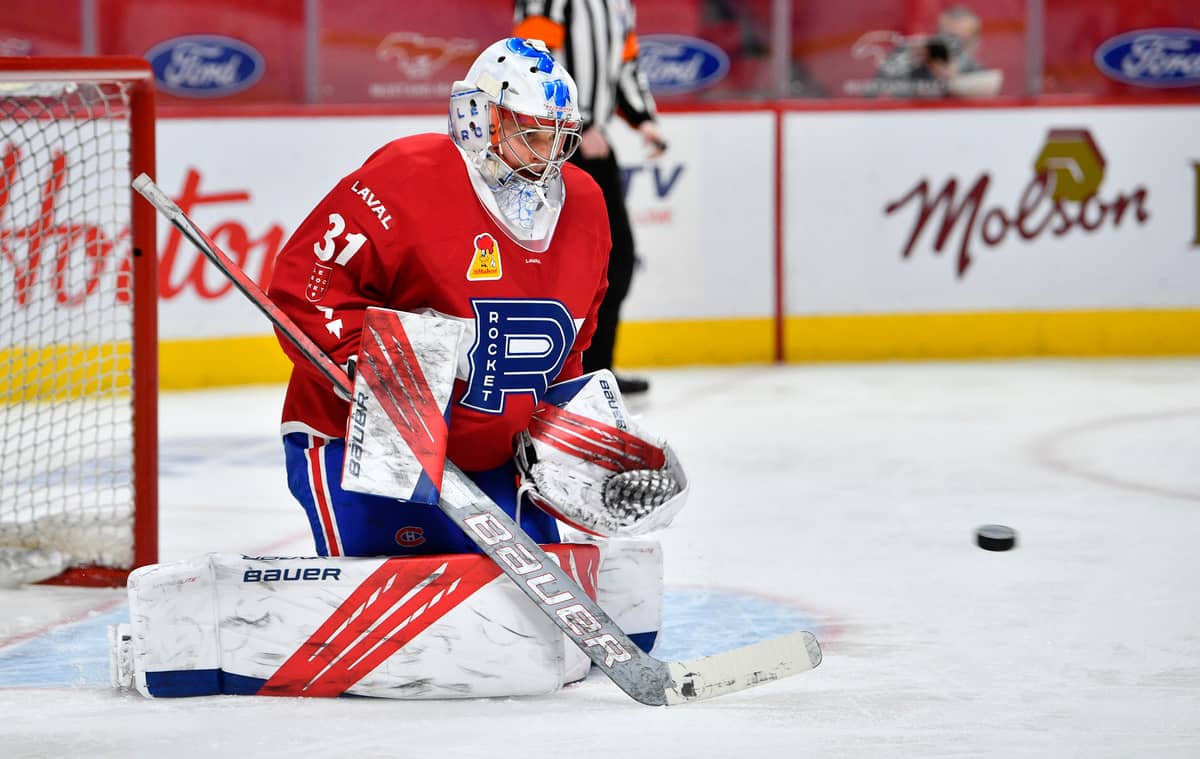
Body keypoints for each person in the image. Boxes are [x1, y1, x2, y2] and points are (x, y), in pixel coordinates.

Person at [266, 37, 681, 560]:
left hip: (499, 458)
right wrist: (379, 377)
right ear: (477, 118)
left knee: (534, 611)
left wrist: (571, 439)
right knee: (403, 613)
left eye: (559, 137)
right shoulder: (407, 176)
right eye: (530, 133)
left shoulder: (585, 203)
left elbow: (576, 340)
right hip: (368, 448)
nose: (547, 155)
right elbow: (306, 285)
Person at [514, 0, 665, 395]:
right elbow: (528, 59)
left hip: (591, 140)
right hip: (548, 143)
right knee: (546, 260)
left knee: (614, 259)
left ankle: (597, 370)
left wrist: (643, 118)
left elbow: (625, 64)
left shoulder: (618, 4)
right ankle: (552, 372)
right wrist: (575, 123)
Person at [871, 5, 987, 98]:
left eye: (959, 42)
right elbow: (877, 95)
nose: (951, 47)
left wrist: (954, 80)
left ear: (974, 43)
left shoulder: (976, 71)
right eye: (944, 37)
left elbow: (988, 108)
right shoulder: (912, 58)